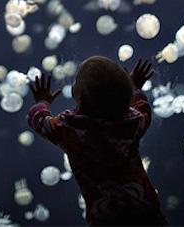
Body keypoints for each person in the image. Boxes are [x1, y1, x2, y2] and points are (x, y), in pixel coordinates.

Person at [27, 56, 168, 226]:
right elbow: (143, 108)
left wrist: (42, 102)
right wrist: (135, 87)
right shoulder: (134, 122)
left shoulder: (69, 127)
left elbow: (39, 121)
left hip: (104, 216)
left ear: (76, 95)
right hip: (146, 210)